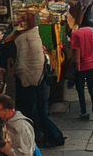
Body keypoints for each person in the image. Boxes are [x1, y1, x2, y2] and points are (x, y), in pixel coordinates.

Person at [13, 13, 64, 148]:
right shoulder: (34, 33)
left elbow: (21, 63)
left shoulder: (24, 38)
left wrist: (18, 75)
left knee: (37, 110)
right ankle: (49, 135)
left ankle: (55, 136)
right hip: (40, 77)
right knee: (41, 109)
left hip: (32, 80)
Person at [67, 18, 93, 121]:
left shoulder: (76, 35)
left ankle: (83, 111)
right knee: (91, 85)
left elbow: (76, 53)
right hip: (91, 65)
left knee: (80, 89)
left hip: (81, 67)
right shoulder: (91, 32)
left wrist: (75, 67)